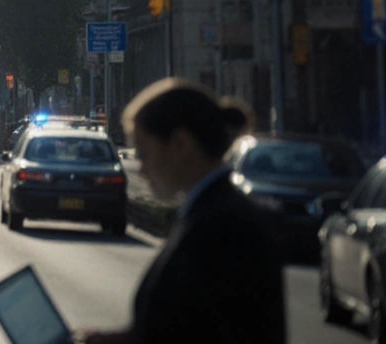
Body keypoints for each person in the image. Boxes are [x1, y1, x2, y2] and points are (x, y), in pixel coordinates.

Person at [75, 78, 285, 344]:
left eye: (144, 153)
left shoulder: (224, 227)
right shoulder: (211, 212)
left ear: (181, 145)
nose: (141, 170)